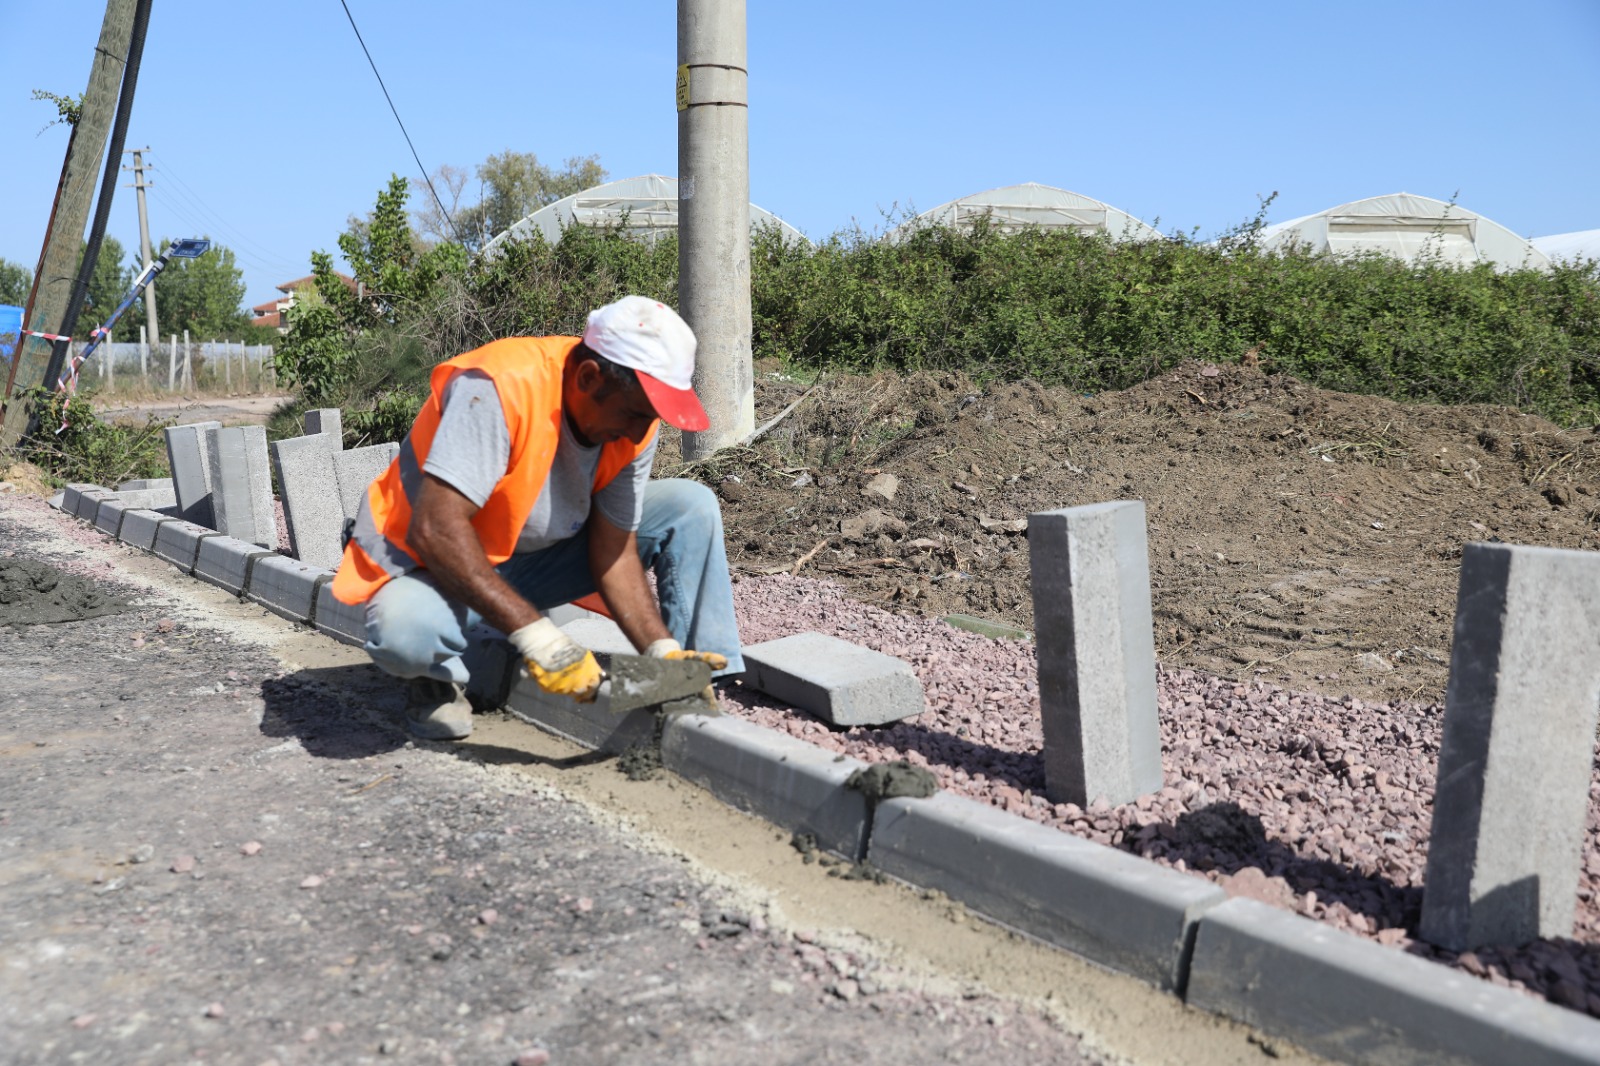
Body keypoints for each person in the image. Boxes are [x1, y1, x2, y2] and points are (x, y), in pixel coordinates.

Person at [329, 295, 744, 740]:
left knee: (690, 505)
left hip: (528, 558)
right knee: (405, 634)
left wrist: (658, 649)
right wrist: (537, 636)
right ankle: (434, 680)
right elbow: (435, 528)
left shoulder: (634, 417)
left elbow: (616, 551)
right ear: (589, 377)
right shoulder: (499, 387)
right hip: (432, 563)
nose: (639, 431)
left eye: (651, 417)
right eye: (634, 415)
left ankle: (688, 681)